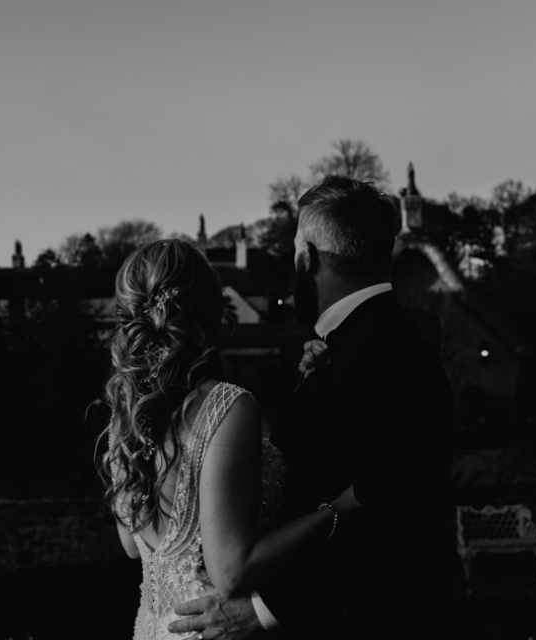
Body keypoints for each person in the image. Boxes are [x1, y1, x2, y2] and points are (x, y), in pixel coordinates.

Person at [168, 176, 454, 638]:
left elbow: (399, 518)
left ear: (309, 258)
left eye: (296, 250)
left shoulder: (386, 354)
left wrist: (265, 610)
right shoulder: (366, 343)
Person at [96, 238, 361, 640]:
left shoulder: (126, 414)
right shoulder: (226, 405)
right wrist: (336, 510)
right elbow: (231, 572)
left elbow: (135, 546)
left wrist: (310, 388)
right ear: (211, 310)